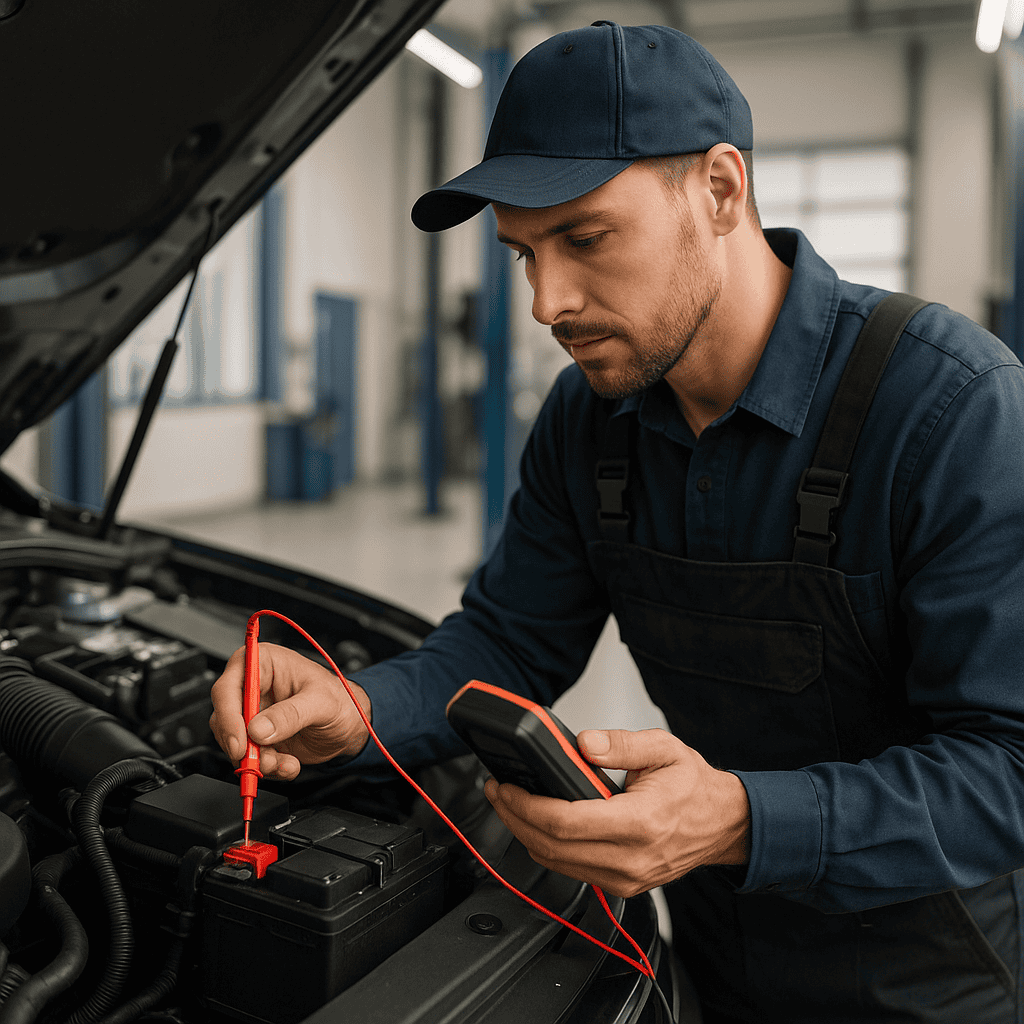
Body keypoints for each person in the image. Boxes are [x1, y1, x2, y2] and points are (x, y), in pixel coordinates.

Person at [210, 21, 1024, 1023]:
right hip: (717, 957)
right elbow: (508, 638)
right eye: (523, 253)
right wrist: (359, 709)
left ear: (720, 189)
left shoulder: (948, 409)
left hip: (932, 979)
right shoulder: (588, 422)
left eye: (585, 238)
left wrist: (737, 817)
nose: (549, 300)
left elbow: (1009, 767)